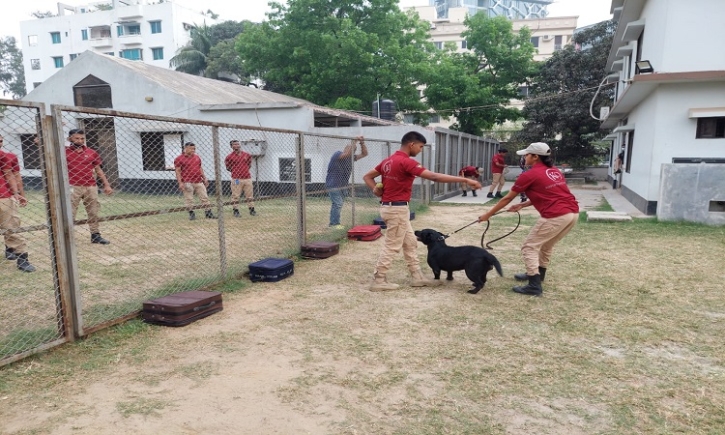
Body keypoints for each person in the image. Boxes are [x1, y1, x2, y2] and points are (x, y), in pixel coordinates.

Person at [363, 131, 482, 292]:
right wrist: (465, 179)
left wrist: (375, 190)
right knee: (392, 246)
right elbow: (434, 177)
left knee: (411, 242)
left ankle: (417, 277)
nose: (420, 150)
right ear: (411, 144)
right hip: (397, 209)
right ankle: (379, 279)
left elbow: (367, 177)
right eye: (420, 146)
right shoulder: (406, 162)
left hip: (392, 207)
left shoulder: (387, 161)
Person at [478, 142, 579, 297]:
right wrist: (523, 205)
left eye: (526, 154)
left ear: (535, 157)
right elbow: (551, 193)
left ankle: (534, 285)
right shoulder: (554, 171)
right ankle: (538, 275)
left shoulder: (528, 175)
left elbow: (507, 199)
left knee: (529, 247)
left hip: (555, 215)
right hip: (572, 214)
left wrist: (488, 215)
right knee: (545, 245)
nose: (524, 157)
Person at [66, 129, 113, 245]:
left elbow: (98, 169)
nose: (80, 141)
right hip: (72, 186)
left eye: (82, 138)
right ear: (70, 139)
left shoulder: (92, 152)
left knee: (93, 211)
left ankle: (95, 235)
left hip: (90, 186)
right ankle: (68, 237)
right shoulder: (63, 151)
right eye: (77, 138)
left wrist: (106, 185)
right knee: (70, 212)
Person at [0, 135, 36, 272]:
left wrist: (17, 194)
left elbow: (11, 175)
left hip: (3, 196)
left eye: (1, 141)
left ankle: (22, 257)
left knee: (11, 227)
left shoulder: (4, 156)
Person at [325, 136, 368, 228]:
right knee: (338, 203)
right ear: (345, 148)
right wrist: (354, 141)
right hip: (333, 184)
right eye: (350, 148)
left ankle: (334, 222)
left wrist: (362, 143)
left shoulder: (351, 158)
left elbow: (365, 154)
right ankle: (334, 224)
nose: (352, 150)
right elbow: (346, 154)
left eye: (354, 149)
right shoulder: (337, 154)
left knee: (337, 204)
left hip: (343, 186)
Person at [174, 142, 215, 220]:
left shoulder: (197, 157)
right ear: (185, 148)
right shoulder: (179, 159)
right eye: (191, 149)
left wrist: (204, 178)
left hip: (198, 181)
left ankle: (208, 213)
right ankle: (192, 214)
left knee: (204, 197)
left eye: (194, 149)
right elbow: (178, 171)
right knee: (189, 199)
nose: (193, 150)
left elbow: (200, 168)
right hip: (187, 182)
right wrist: (180, 183)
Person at [224, 140, 256, 217]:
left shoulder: (247, 155)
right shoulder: (229, 157)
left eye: (238, 144)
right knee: (235, 195)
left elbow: (249, 165)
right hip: (236, 179)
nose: (237, 145)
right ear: (231, 146)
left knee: (249, 195)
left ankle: (252, 210)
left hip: (247, 178)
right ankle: (236, 211)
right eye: (234, 144)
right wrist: (236, 171)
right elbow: (228, 168)